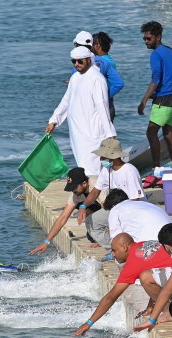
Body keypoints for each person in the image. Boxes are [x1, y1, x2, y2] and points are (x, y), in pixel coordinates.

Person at [72, 233, 172, 336]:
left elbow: (111, 297)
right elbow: (158, 270)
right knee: (150, 276)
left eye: (114, 250)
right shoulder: (145, 244)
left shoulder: (132, 262)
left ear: (124, 247)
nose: (113, 254)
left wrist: (89, 323)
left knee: (145, 277)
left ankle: (168, 312)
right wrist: (151, 306)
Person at [46, 46, 116, 178]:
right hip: (77, 133)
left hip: (93, 132)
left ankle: (98, 196)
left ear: (89, 60)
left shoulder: (97, 79)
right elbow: (66, 100)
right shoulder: (75, 78)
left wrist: (110, 133)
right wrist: (54, 120)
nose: (76, 64)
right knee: (83, 165)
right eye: (74, 61)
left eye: (80, 61)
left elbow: (103, 107)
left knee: (94, 169)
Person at [138, 21, 172, 170]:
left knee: (151, 132)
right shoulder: (171, 51)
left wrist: (144, 100)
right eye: (144, 39)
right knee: (167, 131)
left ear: (158, 37)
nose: (146, 42)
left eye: (149, 38)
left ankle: (156, 167)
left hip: (164, 99)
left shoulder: (156, 54)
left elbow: (156, 79)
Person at [28, 167, 107, 255]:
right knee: (91, 237)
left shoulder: (97, 185)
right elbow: (63, 218)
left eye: (74, 188)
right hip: (101, 208)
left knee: (101, 233)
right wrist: (46, 242)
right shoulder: (77, 193)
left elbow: (109, 212)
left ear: (84, 183)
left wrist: (104, 238)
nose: (73, 191)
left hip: (116, 208)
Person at [77, 137, 146, 230]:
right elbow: (95, 191)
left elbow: (135, 200)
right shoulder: (106, 169)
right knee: (92, 224)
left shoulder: (129, 171)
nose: (100, 158)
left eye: (103, 156)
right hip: (116, 209)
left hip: (134, 211)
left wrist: (119, 220)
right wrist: (83, 206)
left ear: (112, 157)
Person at [103, 188, 172, 243]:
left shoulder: (115, 209)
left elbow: (116, 240)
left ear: (113, 205)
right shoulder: (144, 204)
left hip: (154, 245)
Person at [91, 31, 120, 121]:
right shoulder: (109, 60)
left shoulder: (100, 62)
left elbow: (118, 84)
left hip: (103, 105)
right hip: (108, 104)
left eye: (90, 45)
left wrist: (104, 97)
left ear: (97, 46)